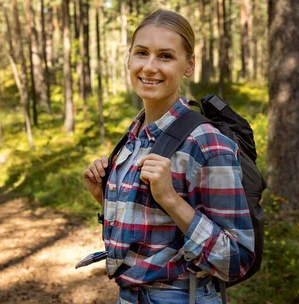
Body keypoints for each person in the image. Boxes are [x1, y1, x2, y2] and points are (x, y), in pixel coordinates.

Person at [81, 9, 256, 304]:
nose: (150, 67)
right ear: (129, 59)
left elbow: (236, 260)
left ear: (189, 65)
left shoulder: (207, 142)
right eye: (141, 53)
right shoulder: (134, 136)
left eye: (165, 56)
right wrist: (105, 196)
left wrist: (171, 199)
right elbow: (153, 233)